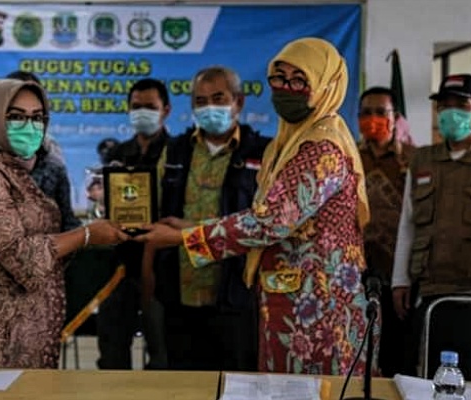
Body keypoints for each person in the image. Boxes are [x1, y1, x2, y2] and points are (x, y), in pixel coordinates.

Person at [136, 37, 372, 375]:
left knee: (311, 393)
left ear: (326, 84)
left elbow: (271, 222)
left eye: (299, 80)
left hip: (319, 307)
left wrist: (185, 238)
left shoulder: (321, 147)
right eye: (279, 78)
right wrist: (189, 229)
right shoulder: (292, 141)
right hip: (290, 300)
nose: (286, 89)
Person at [0, 79, 128, 368]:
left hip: (26, 334)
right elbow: (21, 257)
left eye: (37, 117)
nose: (29, 126)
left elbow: (51, 242)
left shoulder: (14, 169)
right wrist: (86, 235)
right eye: (16, 116)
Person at [145, 66, 270, 371]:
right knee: (182, 384)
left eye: (218, 98)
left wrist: (191, 231)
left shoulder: (264, 152)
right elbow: (156, 215)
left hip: (236, 292)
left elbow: (264, 223)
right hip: (180, 292)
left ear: (238, 101)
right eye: (200, 101)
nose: (209, 107)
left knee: (235, 381)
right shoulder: (174, 151)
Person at [392, 74, 471, 378]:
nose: (451, 112)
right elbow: (407, 224)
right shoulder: (422, 160)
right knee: (426, 378)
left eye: (461, 105)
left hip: (468, 290)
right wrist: (400, 280)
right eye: (444, 105)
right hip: (430, 291)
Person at [96, 78, 171, 370]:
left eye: (150, 107)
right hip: (120, 265)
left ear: (166, 110)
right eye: (136, 106)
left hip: (162, 267)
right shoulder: (116, 154)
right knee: (112, 354)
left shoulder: (177, 153)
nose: (142, 113)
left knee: (163, 357)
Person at [357, 86, 415, 377]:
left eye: (381, 112)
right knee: (358, 355)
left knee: (396, 359)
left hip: (398, 276)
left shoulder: (413, 159)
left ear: (396, 117)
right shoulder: (349, 157)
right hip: (357, 274)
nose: (373, 119)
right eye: (366, 112)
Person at [6, 70, 80, 232]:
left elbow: (67, 221)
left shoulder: (53, 166)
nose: (27, 123)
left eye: (35, 115)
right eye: (17, 115)